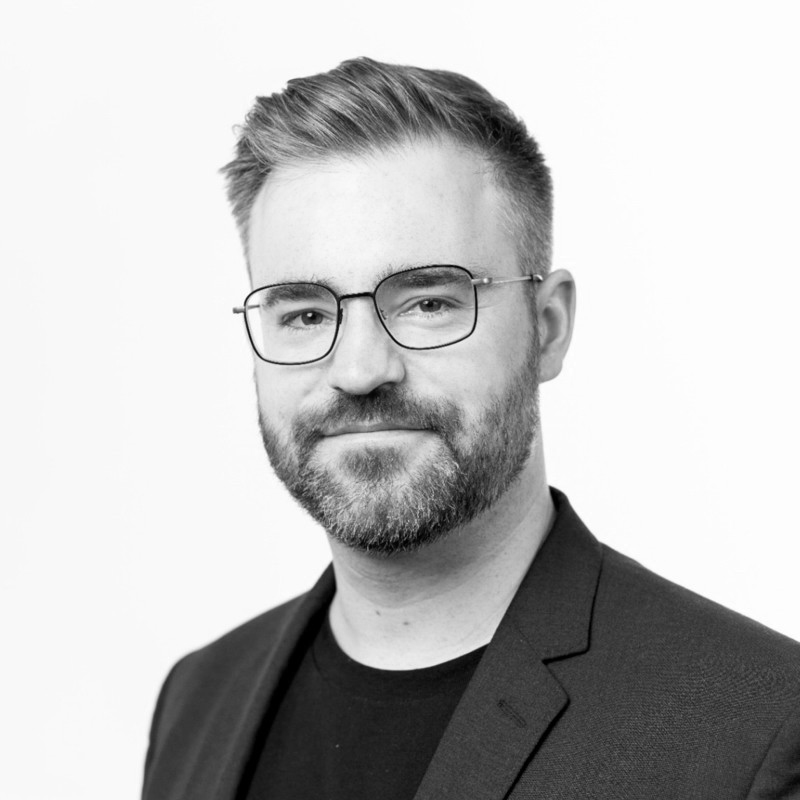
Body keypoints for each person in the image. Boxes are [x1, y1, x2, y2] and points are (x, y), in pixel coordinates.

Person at [142, 57, 800, 799]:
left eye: (428, 302)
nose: (360, 370)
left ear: (546, 328)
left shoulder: (758, 730)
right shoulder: (198, 700)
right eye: (304, 313)